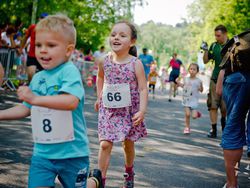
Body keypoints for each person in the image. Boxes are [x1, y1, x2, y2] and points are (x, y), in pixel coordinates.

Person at [0, 14, 103, 188]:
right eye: (38, 45)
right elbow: (26, 108)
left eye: (51, 45)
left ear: (68, 50)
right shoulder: (38, 77)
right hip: (43, 154)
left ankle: (94, 181)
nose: (42, 50)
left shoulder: (69, 71)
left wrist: (35, 98)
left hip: (73, 154)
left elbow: (71, 101)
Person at [94, 21, 148, 188]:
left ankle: (129, 171)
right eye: (113, 34)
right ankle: (100, 181)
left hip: (129, 111)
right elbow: (100, 77)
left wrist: (142, 110)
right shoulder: (104, 61)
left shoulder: (135, 63)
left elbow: (143, 88)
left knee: (128, 145)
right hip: (108, 109)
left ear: (132, 42)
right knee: (105, 144)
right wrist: (99, 97)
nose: (116, 37)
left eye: (122, 35)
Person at [216, 30, 250, 188]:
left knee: (234, 126)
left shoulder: (234, 45)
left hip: (236, 79)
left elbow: (218, 91)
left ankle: (232, 183)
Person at [201, 25, 228, 138]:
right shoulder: (214, 45)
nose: (216, 37)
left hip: (227, 81)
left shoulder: (232, 45)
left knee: (225, 107)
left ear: (225, 34)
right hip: (214, 79)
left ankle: (224, 127)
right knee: (213, 105)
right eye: (215, 35)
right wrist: (206, 50)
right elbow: (206, 61)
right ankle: (213, 129)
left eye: (218, 35)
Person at [19, 13, 48, 82]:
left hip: (43, 56)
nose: (42, 20)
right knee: (31, 74)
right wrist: (21, 48)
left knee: (43, 78)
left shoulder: (49, 30)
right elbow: (25, 38)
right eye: (41, 18)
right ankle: (32, 89)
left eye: (45, 19)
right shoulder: (32, 27)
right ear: (39, 19)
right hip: (32, 55)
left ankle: (39, 90)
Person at [176, 63, 203, 134]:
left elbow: (201, 90)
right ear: (188, 70)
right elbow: (183, 86)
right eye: (191, 69)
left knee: (194, 116)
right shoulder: (186, 79)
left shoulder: (198, 81)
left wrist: (200, 87)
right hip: (186, 100)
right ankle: (187, 127)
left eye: (194, 69)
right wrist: (178, 83)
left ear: (197, 71)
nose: (192, 70)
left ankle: (197, 114)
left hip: (194, 101)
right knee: (187, 114)